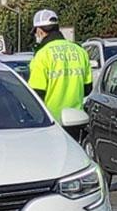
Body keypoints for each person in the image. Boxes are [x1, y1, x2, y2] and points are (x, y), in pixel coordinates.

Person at [27, 9, 92, 138]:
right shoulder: (79, 51)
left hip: (51, 123)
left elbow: (36, 94)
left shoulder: (42, 55)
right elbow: (87, 89)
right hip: (76, 121)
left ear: (39, 31)